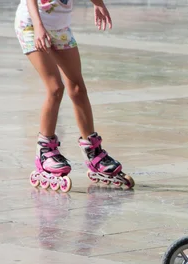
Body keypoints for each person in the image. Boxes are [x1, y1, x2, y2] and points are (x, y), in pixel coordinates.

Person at [15, 0, 134, 191]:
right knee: (55, 88)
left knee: (77, 88)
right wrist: (38, 26)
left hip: (60, 27)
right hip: (31, 24)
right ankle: (45, 151)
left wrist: (98, 4)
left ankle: (93, 151)